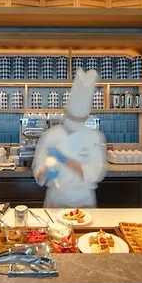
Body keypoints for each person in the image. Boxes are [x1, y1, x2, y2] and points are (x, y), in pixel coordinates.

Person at [32, 68, 107, 208]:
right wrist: (45, 172)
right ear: (67, 114)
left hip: (83, 202)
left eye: (80, 119)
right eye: (73, 118)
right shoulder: (50, 135)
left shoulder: (94, 137)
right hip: (56, 200)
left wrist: (65, 160)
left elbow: (96, 173)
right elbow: (39, 174)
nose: (76, 123)